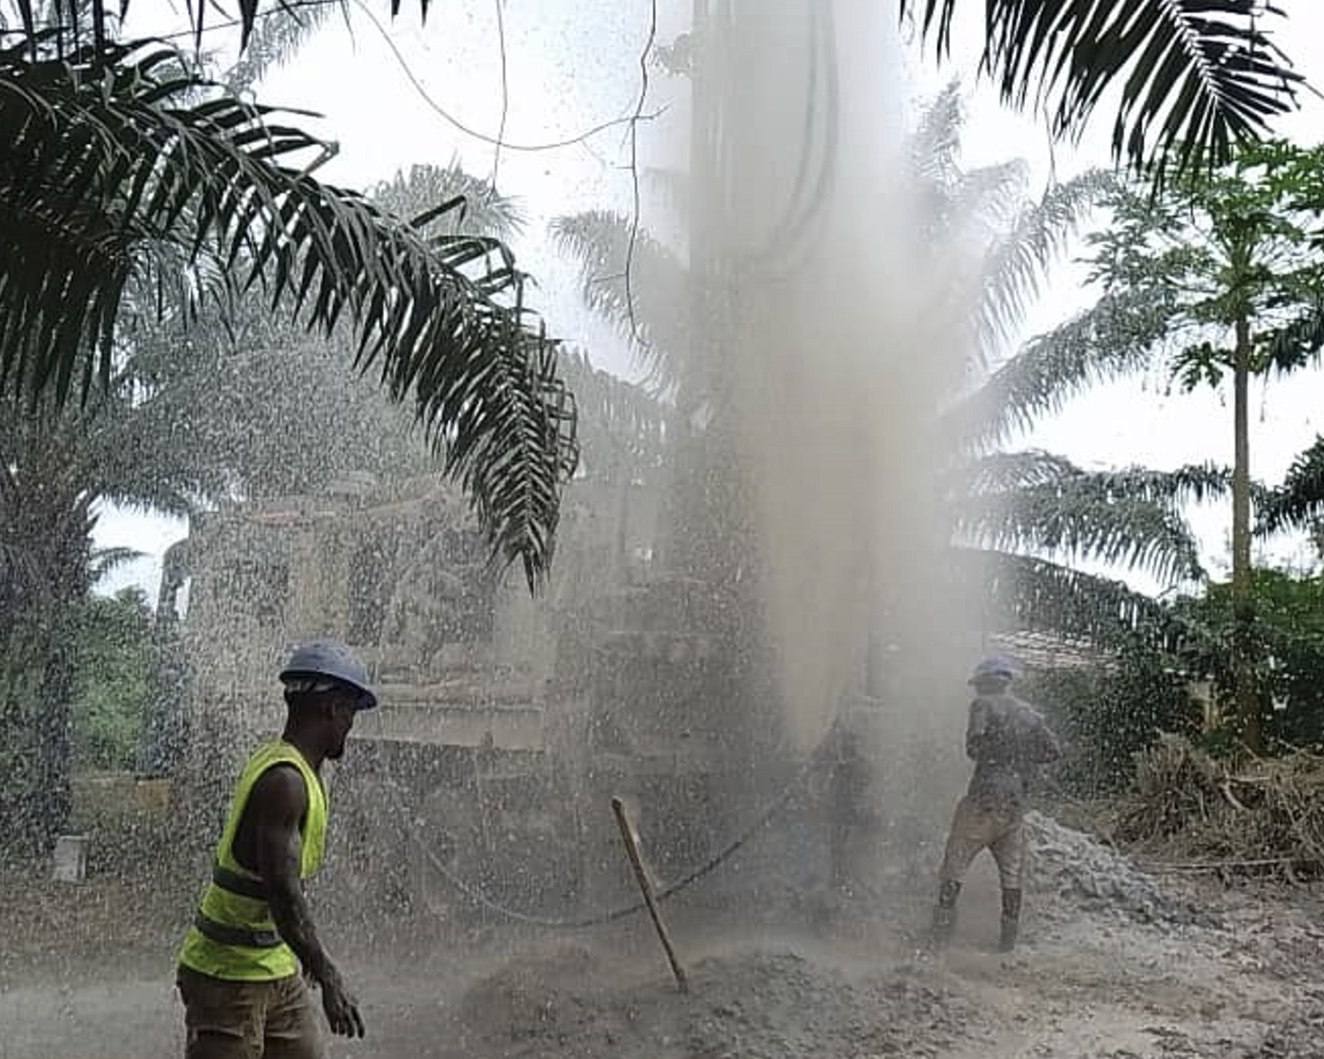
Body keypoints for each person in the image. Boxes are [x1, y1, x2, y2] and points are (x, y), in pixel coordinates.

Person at [176, 640, 378, 1058]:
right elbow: (284, 896)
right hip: (226, 974)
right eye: (351, 714)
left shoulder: (297, 770)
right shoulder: (285, 783)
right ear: (332, 709)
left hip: (275, 968)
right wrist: (329, 976)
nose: (351, 727)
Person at [930, 654, 1061, 953]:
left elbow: (973, 747)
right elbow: (1053, 750)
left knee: (955, 865)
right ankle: (1006, 946)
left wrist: (997, 754)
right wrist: (1021, 759)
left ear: (986, 684)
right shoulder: (1029, 714)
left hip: (983, 799)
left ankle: (939, 940)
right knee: (1012, 876)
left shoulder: (983, 705)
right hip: (1014, 805)